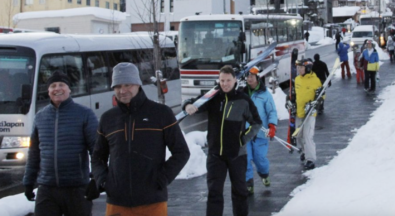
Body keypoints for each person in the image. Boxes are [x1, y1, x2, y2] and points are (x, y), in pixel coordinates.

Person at [92, 63, 190, 216]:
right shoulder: (108, 119)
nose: (122, 91)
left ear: (137, 84)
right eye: (117, 86)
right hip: (117, 202)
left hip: (152, 202)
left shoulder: (161, 113)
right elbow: (97, 157)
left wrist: (162, 179)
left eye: (127, 85)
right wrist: (103, 180)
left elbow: (181, 152)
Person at [184, 65, 262, 216]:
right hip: (215, 155)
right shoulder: (212, 97)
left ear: (235, 80)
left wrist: (242, 138)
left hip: (237, 155)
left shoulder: (243, 100)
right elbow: (194, 102)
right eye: (222, 80)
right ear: (218, 80)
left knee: (240, 192)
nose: (225, 84)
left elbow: (257, 122)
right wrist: (187, 105)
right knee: (214, 193)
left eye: (228, 80)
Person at [23, 70, 98, 216]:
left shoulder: (84, 114)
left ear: (69, 89)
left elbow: (96, 149)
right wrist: (28, 181)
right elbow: (34, 153)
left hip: (76, 188)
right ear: (48, 90)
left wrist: (96, 179)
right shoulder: (41, 116)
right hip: (47, 188)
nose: (57, 89)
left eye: (62, 84)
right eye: (53, 86)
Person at [240, 66, 277, 195]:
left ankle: (264, 173)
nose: (249, 78)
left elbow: (271, 111)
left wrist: (272, 126)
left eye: (252, 76)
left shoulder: (265, 94)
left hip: (261, 133)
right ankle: (248, 183)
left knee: (259, 158)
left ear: (258, 77)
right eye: (248, 76)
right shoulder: (242, 94)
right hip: (246, 134)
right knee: (246, 159)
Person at [294, 59, 322, 170]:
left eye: (301, 67)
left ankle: (310, 159)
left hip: (310, 113)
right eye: (298, 68)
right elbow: (293, 95)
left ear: (308, 68)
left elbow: (321, 97)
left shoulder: (315, 80)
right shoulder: (297, 79)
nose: (299, 70)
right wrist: (289, 102)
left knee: (308, 136)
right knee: (299, 136)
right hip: (299, 113)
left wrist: (316, 102)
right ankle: (305, 152)